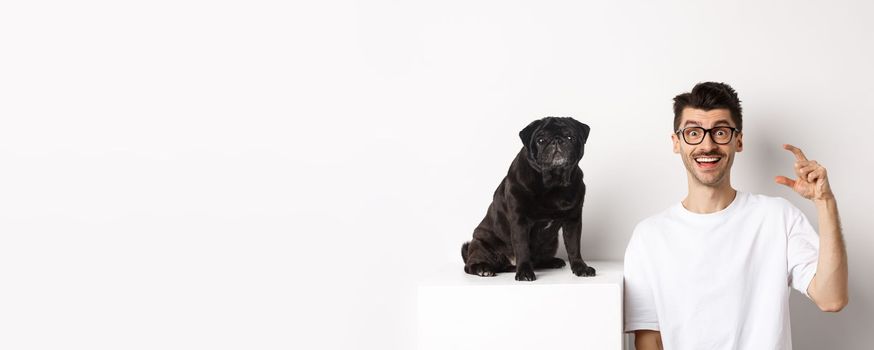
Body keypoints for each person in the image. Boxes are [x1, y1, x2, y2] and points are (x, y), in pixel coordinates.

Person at [623, 82, 848, 350]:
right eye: (693, 132)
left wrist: (825, 202)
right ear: (676, 142)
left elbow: (831, 298)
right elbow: (649, 339)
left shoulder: (777, 217)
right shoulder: (650, 236)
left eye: (720, 132)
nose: (707, 145)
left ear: (738, 140)